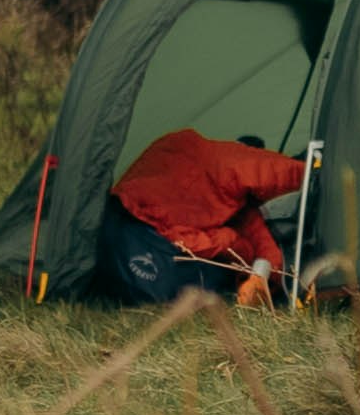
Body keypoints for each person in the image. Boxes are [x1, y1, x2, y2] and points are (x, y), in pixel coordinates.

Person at [101, 129, 311, 308]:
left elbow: (261, 242)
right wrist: (310, 171)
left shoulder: (241, 209)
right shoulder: (218, 157)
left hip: (126, 220)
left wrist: (263, 277)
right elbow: (267, 169)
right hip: (142, 215)